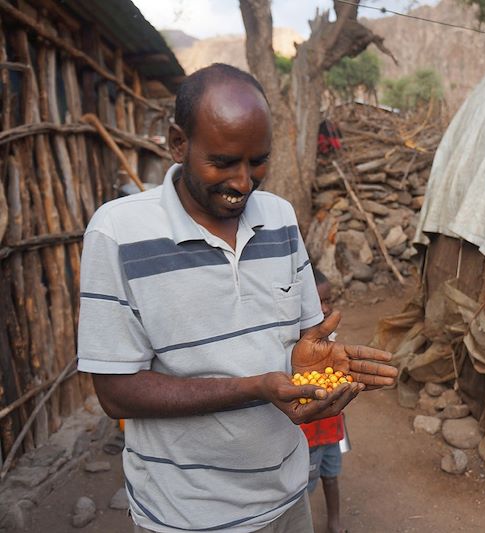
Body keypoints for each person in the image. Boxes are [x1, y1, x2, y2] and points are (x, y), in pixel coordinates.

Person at [76, 63, 398, 533]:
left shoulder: (281, 218)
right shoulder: (117, 233)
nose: (244, 182)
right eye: (224, 162)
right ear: (178, 143)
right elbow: (115, 391)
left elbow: (302, 338)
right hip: (188, 515)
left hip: (289, 494)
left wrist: (304, 360)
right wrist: (254, 387)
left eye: (258, 161)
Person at [301, 268, 348, 533]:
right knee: (304, 486)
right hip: (306, 433)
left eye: (329, 300)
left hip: (332, 425)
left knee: (331, 475)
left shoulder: (332, 340)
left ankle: (334, 522)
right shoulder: (295, 346)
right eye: (318, 301)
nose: (326, 308)